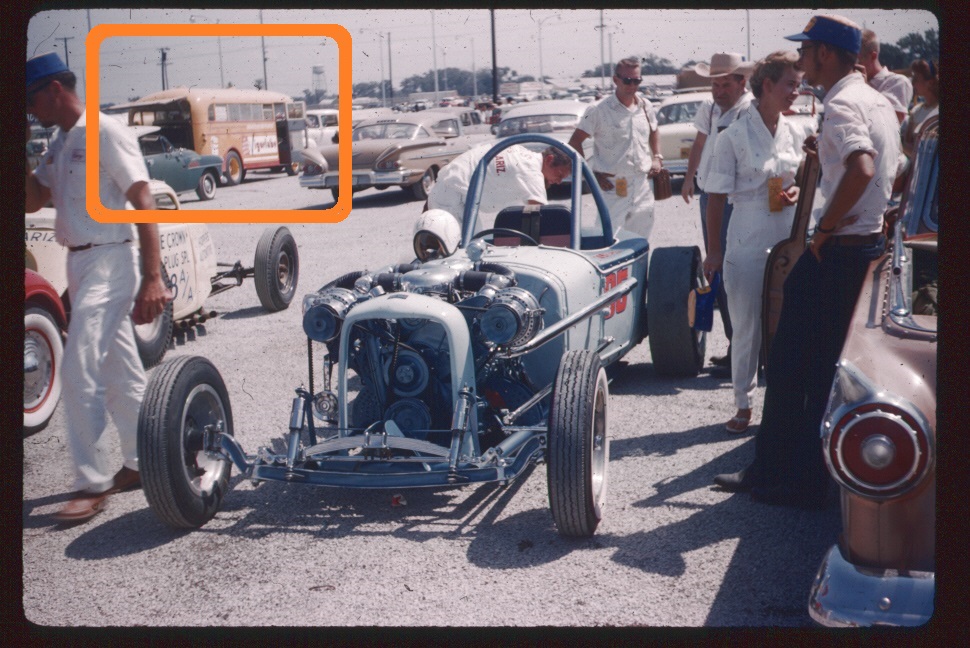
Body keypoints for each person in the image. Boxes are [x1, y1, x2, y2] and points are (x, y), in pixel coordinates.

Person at [713, 15, 900, 508]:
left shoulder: (840, 102)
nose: (800, 61)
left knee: (791, 363)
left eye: (806, 51)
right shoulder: (876, 98)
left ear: (825, 53)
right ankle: (800, 475)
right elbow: (888, 167)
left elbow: (861, 168)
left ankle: (778, 473)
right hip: (863, 249)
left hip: (838, 250)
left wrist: (826, 227)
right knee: (819, 367)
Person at [25, 52, 172, 523]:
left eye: (30, 99)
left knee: (77, 367)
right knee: (119, 370)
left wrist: (154, 277)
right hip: (79, 261)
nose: (28, 110)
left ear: (54, 90)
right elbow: (32, 200)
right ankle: (141, 460)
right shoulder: (59, 139)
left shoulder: (105, 132)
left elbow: (144, 200)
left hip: (111, 257)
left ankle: (91, 482)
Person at [701, 51, 815, 434]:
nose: (796, 92)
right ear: (766, 85)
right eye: (790, 84)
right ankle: (742, 403)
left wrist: (796, 190)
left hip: (788, 234)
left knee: (790, 320)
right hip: (747, 233)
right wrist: (714, 251)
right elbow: (715, 197)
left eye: (799, 85)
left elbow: (800, 175)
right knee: (747, 323)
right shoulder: (731, 136)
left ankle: (785, 404)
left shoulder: (794, 130)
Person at [680, 53, 755, 374]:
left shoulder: (750, 111)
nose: (719, 90)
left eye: (726, 84)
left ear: (742, 82)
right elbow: (699, 143)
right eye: (715, 84)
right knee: (719, 271)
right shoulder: (709, 109)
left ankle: (745, 349)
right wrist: (687, 177)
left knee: (732, 271)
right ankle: (735, 345)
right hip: (710, 196)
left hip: (734, 202)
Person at [568, 57, 663, 241]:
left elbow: (654, 130)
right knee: (608, 240)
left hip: (642, 184)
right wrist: (591, 174)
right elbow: (575, 142)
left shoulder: (645, 106)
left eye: (637, 81)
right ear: (615, 80)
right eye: (627, 80)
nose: (632, 85)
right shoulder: (598, 110)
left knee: (641, 240)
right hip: (613, 186)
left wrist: (657, 156)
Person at [425, 142, 571, 221]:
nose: (558, 182)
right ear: (549, 159)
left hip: (449, 190)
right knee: (467, 251)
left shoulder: (519, 150)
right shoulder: (531, 171)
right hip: (452, 199)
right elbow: (544, 216)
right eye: (559, 174)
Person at [857, 29, 913, 124]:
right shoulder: (853, 84)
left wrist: (864, 87)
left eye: (857, 60)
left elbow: (891, 122)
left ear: (873, 56)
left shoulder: (897, 82)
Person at [901, 58, 939, 159]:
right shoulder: (916, 111)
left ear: (930, 82)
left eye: (916, 78)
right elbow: (906, 143)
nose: (913, 83)